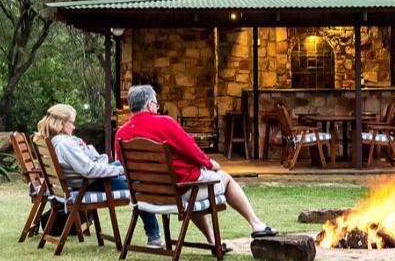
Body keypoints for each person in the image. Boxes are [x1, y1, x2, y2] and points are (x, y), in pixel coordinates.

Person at [114, 84, 279, 241]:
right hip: (179, 192)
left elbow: (124, 165)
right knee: (223, 179)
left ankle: (212, 240)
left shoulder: (121, 135)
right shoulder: (164, 123)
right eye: (156, 104)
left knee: (195, 187)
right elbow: (191, 149)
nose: (157, 108)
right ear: (150, 105)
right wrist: (210, 164)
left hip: (147, 196)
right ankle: (257, 224)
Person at [38, 104, 163, 249]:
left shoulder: (55, 141)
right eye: (72, 122)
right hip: (91, 183)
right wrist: (117, 171)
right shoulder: (65, 144)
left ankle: (155, 224)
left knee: (127, 165)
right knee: (139, 186)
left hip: (87, 181)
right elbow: (89, 170)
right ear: (61, 124)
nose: (74, 127)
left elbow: (87, 163)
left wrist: (106, 163)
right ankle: (154, 237)